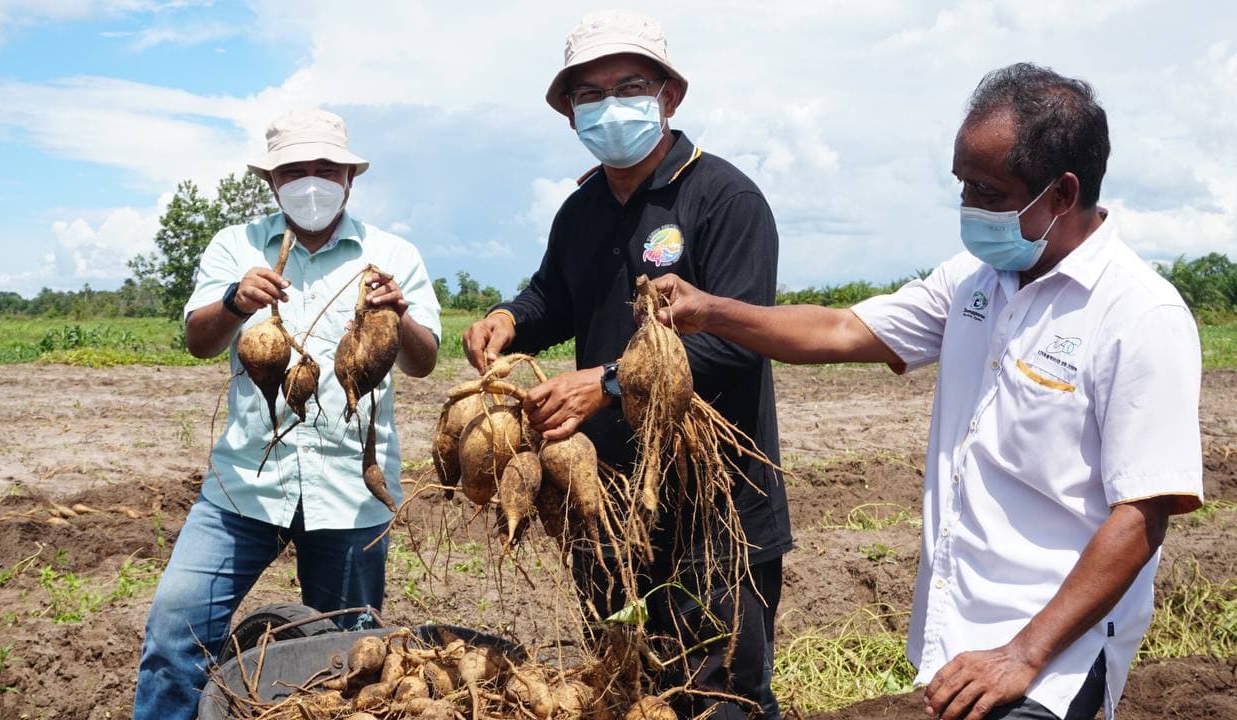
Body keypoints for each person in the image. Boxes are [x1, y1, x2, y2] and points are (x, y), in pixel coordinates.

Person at [650, 63, 1203, 720]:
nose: (968, 206)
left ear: (1061, 193)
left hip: (1053, 661)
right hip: (958, 641)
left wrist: (1024, 654)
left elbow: (1143, 514)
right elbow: (839, 328)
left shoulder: (1138, 315)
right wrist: (712, 310)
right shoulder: (975, 283)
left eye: (988, 191)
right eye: (961, 185)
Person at [462, 10, 790, 719]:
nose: (610, 105)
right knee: (627, 692)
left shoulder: (723, 200)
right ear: (570, 113)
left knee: (720, 699)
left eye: (629, 85)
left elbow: (738, 344)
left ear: (670, 96)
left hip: (718, 516)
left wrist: (605, 386)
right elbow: (552, 296)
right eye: (590, 94)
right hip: (606, 513)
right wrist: (508, 319)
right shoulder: (580, 210)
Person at [133, 109, 441, 718]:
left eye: (325, 168)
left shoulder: (391, 253)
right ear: (271, 181)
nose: (311, 181)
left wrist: (397, 314)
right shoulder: (236, 246)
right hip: (244, 484)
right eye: (294, 170)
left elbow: (424, 360)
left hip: (352, 491)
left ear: (349, 177)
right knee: (175, 634)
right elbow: (199, 341)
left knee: (349, 660)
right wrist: (232, 299)